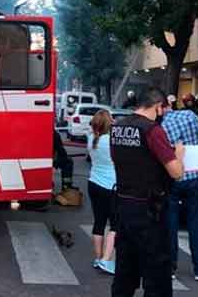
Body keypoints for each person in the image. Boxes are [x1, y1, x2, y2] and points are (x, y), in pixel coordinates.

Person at [110, 87, 185, 297]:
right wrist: (178, 154)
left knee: (125, 271)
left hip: (123, 207)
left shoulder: (118, 127)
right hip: (149, 210)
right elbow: (176, 172)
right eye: (165, 110)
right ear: (158, 107)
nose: (164, 115)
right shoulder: (153, 131)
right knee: (157, 275)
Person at [161, 109, 198, 282]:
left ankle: (170, 268)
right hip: (194, 178)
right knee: (196, 222)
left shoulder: (161, 126)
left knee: (170, 224)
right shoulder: (190, 115)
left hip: (173, 178)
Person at [87, 109, 117, 275]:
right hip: (111, 186)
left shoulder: (92, 139)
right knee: (115, 224)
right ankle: (106, 259)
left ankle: (98, 258)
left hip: (93, 183)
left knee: (99, 222)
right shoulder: (112, 141)